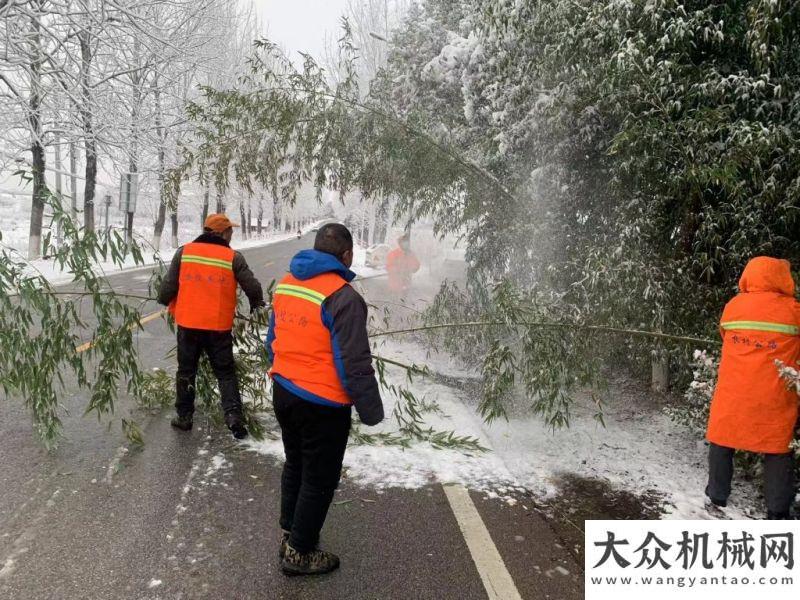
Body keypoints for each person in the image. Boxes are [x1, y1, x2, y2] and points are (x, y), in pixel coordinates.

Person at [266, 222, 384, 576]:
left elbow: (272, 337)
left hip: (285, 390)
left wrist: (284, 371)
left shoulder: (287, 284)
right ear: (346, 255)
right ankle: (299, 552)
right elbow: (354, 362)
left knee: (296, 464)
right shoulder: (343, 297)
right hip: (322, 404)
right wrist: (371, 410)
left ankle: (291, 531)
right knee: (319, 478)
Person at [705, 256, 800, 519]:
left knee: (722, 438)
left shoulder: (733, 307)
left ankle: (717, 494)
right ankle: (778, 510)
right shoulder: (794, 311)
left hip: (733, 392)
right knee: (777, 447)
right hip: (775, 395)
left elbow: (724, 335)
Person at [157, 213, 266, 440]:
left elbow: (169, 285)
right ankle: (234, 416)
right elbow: (253, 287)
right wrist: (257, 304)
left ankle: (184, 417)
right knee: (225, 373)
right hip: (218, 327)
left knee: (186, 372)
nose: (232, 235)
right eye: (230, 231)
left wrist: (163, 299)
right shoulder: (232, 257)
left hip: (188, 325)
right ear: (221, 233)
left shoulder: (184, 252)